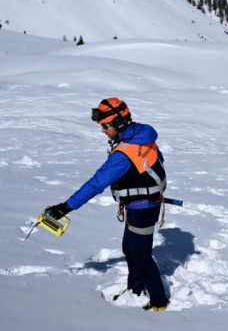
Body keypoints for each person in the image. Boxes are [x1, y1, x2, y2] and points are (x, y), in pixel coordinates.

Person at [45, 98, 169, 311]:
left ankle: (159, 303)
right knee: (130, 249)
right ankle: (135, 289)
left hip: (143, 208)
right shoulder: (143, 133)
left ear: (120, 124)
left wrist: (65, 207)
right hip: (139, 206)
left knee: (141, 255)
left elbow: (96, 183)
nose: (102, 131)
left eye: (105, 126)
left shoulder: (123, 155)